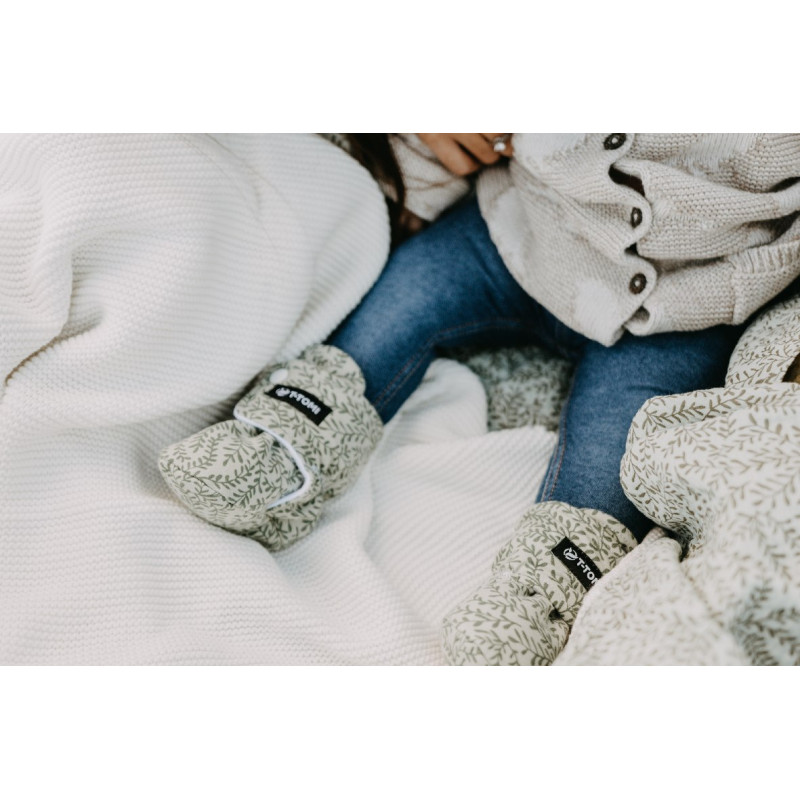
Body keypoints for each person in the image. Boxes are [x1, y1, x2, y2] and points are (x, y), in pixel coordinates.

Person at [159, 133, 800, 665]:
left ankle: (538, 596)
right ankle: (288, 437)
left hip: (682, 310)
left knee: (622, 447)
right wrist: (417, 176)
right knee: (407, 299)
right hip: (521, 232)